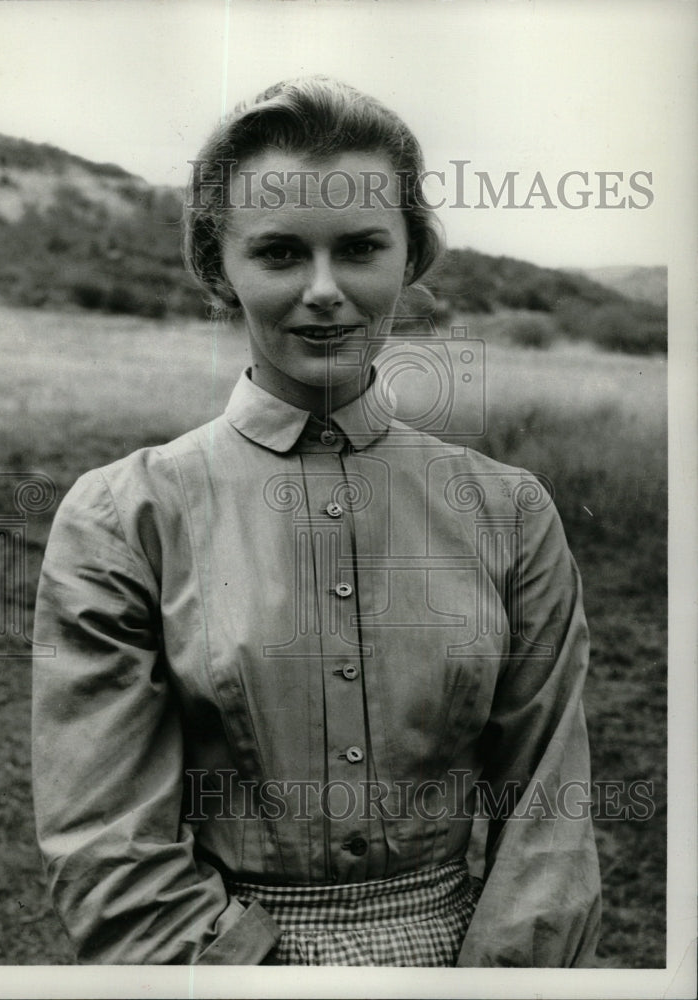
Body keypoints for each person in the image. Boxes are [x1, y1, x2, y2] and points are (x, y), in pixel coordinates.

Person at [32, 77, 601, 967]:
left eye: (362, 248)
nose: (325, 291)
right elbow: (106, 842)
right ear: (218, 265)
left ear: (412, 256)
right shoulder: (122, 518)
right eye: (282, 253)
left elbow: (549, 819)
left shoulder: (510, 512)